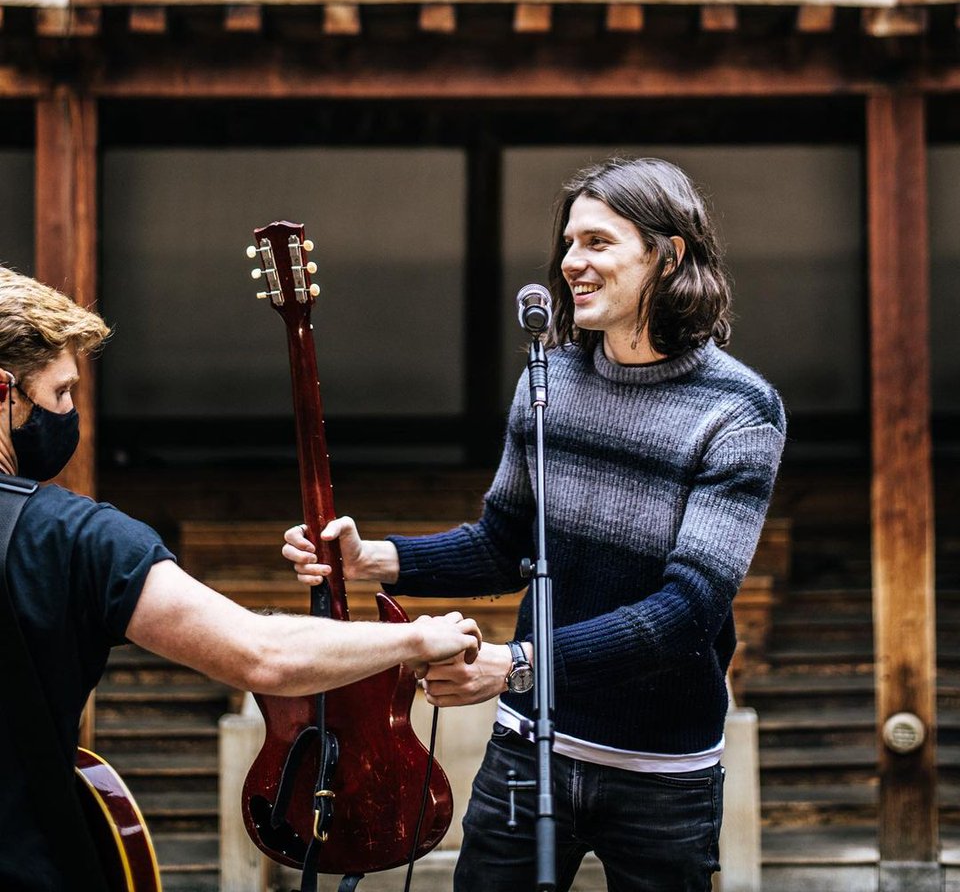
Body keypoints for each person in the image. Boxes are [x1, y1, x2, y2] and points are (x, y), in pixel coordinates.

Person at [283, 155, 787, 892]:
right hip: (528, 751)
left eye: (598, 242)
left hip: (661, 773)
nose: (571, 262)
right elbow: (503, 544)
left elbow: (686, 613)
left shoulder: (738, 411)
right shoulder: (549, 382)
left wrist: (516, 664)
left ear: (668, 254)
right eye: (568, 243)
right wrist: (372, 559)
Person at [0, 264, 482, 892]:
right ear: (4, 393)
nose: (70, 411)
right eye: (61, 392)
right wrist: (416, 639)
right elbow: (259, 654)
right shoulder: (73, 537)